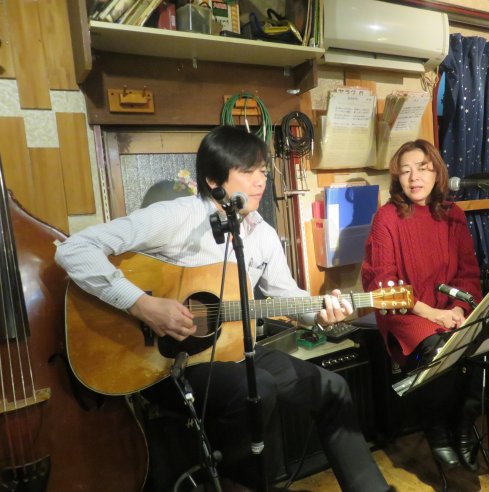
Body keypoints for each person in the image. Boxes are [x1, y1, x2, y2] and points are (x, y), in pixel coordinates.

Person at [55, 125, 391, 491]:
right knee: (256, 389)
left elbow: (287, 294)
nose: (260, 181)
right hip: (166, 364)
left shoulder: (261, 234)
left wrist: (321, 315)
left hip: (234, 351)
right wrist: (142, 304)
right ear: (214, 180)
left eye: (263, 171)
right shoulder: (177, 217)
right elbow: (74, 250)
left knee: (332, 388)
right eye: (247, 171)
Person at [361, 139, 483, 473]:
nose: (414, 177)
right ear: (397, 178)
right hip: (405, 313)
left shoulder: (454, 215)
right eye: (405, 171)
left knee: (486, 342)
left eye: (422, 168)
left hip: (450, 309)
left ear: (437, 172)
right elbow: (382, 282)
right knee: (438, 348)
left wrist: (458, 310)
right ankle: (437, 431)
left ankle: (464, 426)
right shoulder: (386, 218)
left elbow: (468, 273)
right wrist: (433, 314)